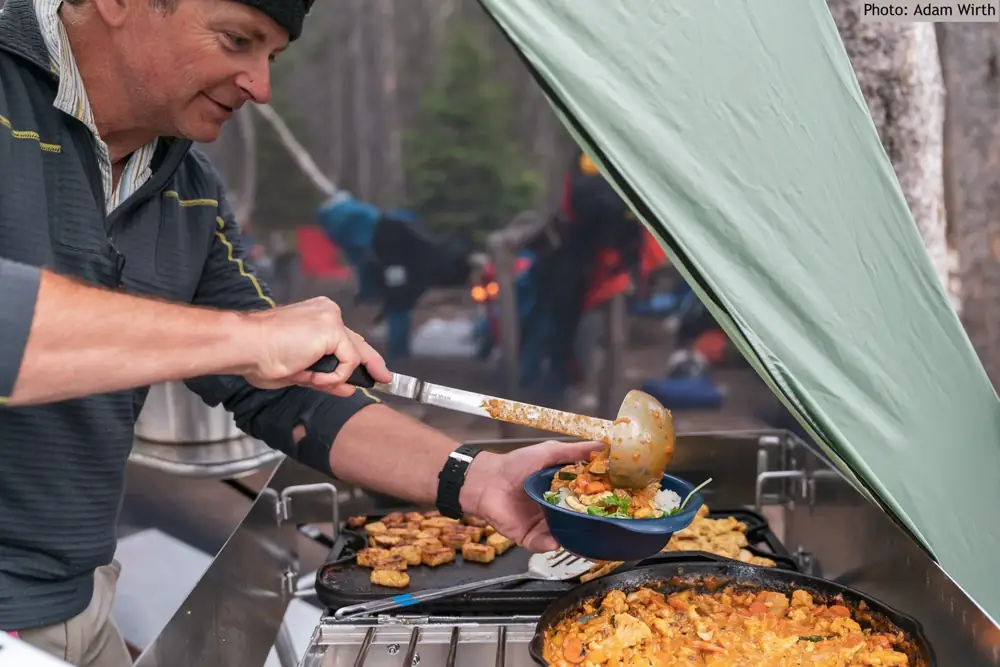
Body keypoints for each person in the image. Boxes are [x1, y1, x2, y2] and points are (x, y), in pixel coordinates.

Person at [0, 2, 598, 665]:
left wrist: (480, 480)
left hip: (79, 601)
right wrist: (247, 339)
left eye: (273, 57)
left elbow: (290, 393)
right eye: (237, 41)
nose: (261, 87)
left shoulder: (186, 184)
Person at [0, 257, 383, 406]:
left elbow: (280, 393)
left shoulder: (194, 182)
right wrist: (257, 339)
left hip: (83, 559)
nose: (259, 89)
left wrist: (445, 475)